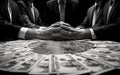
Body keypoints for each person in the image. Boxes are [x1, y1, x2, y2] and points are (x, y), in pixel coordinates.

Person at [55, 0, 120, 42]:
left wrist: (81, 33)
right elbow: (84, 24)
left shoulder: (104, 5)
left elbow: (101, 25)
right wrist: (75, 29)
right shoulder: (90, 9)